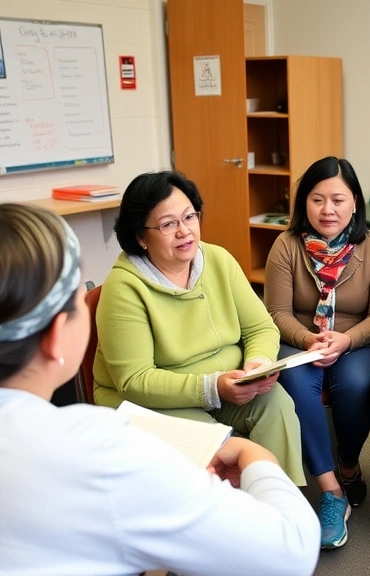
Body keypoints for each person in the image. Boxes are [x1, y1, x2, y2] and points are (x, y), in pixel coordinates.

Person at [0, 201, 320, 575]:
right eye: (80, 295)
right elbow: (291, 551)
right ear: (58, 335)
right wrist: (258, 460)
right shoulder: (98, 454)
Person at [92, 171, 305, 484]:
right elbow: (134, 379)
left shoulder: (218, 259)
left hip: (228, 386)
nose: (184, 231)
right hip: (152, 401)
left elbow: (261, 327)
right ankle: (228, 523)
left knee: (277, 404)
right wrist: (212, 388)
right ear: (141, 236)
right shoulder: (123, 287)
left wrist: (257, 365)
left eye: (189, 216)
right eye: (168, 224)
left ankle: (281, 507)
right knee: (220, 443)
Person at [265, 156, 370, 549]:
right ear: (304, 202)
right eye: (317, 199)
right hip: (299, 338)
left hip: (358, 340)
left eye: (338, 200)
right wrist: (308, 340)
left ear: (355, 201)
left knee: (357, 384)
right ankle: (331, 491)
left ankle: (349, 464)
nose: (328, 210)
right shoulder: (286, 246)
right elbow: (276, 313)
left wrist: (346, 340)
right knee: (292, 383)